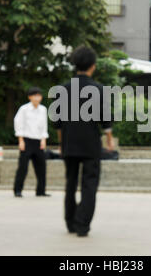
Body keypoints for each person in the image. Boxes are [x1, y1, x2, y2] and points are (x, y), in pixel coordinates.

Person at [53, 46, 114, 237]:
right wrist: (109, 141)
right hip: (90, 143)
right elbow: (105, 121)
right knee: (89, 183)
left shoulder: (62, 89)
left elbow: (58, 123)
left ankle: (70, 222)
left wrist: (61, 144)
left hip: (70, 141)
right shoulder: (99, 90)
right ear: (93, 66)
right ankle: (82, 224)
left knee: (70, 182)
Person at [13, 87, 50, 198]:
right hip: (26, 140)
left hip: (38, 141)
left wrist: (43, 139)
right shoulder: (24, 109)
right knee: (23, 167)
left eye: (39, 95)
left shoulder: (43, 109)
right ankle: (18, 190)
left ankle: (41, 191)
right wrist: (21, 140)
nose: (37, 98)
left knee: (41, 167)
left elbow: (44, 126)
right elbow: (18, 123)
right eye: (34, 95)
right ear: (30, 97)